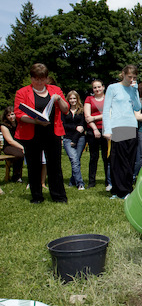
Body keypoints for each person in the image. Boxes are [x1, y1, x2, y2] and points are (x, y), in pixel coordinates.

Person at [14, 63, 69, 204]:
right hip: (32, 133)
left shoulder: (55, 90)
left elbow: (65, 109)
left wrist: (59, 99)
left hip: (52, 133)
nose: (39, 82)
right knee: (34, 166)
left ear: (46, 78)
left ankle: (58, 196)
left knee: (55, 166)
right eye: (36, 79)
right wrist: (36, 122)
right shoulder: (22, 92)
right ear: (31, 78)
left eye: (42, 79)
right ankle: (37, 196)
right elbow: (19, 114)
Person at [103, 65, 141, 199]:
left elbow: (137, 107)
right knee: (118, 160)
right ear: (123, 74)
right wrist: (107, 129)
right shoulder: (112, 88)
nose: (131, 79)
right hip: (117, 126)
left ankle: (126, 189)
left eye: (134, 77)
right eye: (129, 76)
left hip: (131, 125)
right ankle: (119, 190)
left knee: (130, 160)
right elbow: (106, 109)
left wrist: (136, 91)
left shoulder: (133, 89)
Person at [85, 80, 110, 190]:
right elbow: (87, 116)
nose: (97, 89)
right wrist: (95, 129)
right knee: (93, 157)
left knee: (106, 157)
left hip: (106, 129)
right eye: (95, 87)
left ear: (103, 87)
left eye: (99, 87)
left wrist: (95, 117)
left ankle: (108, 181)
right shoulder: (89, 99)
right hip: (92, 131)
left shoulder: (108, 99)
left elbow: (109, 113)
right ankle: (91, 181)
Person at [62, 91, 87, 190]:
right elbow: (63, 125)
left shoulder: (81, 111)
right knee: (74, 160)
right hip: (68, 138)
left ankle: (73, 180)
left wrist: (75, 138)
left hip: (80, 138)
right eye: (70, 98)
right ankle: (80, 183)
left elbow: (82, 126)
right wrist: (75, 128)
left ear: (77, 99)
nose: (72, 100)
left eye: (74, 98)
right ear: (68, 99)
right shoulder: (64, 111)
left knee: (77, 160)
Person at [1, 106, 24, 182]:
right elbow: (10, 140)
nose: (11, 117)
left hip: (19, 145)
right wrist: (22, 147)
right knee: (19, 154)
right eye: (8, 115)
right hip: (9, 146)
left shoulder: (20, 123)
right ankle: (16, 176)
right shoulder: (4, 126)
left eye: (12, 114)